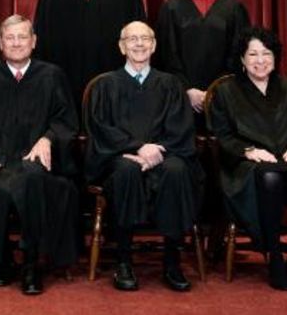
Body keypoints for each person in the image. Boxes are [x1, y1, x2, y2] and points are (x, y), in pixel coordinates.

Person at [0, 15, 79, 296]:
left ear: (34, 42)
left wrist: (48, 139)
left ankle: (32, 263)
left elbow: (66, 121)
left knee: (33, 180)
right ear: (0, 43)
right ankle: (2, 260)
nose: (16, 43)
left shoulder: (52, 76)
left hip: (36, 162)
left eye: (22, 37)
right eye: (9, 38)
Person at [208, 27, 287, 291]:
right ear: (242, 59)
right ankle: (275, 258)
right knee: (270, 177)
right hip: (246, 167)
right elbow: (222, 136)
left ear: (275, 57)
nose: (260, 60)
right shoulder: (227, 92)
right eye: (252, 54)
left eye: (266, 53)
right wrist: (249, 151)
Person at [85, 21, 202, 292]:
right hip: (120, 156)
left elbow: (181, 127)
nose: (139, 44)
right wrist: (138, 147)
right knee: (126, 170)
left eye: (145, 39)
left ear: (154, 45)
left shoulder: (170, 84)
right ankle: (123, 261)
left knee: (177, 171)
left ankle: (172, 261)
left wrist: (156, 150)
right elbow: (100, 128)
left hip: (165, 154)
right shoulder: (106, 85)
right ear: (121, 46)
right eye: (132, 39)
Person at [154, 0, 250, 124]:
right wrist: (187, 90)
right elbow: (167, 56)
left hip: (223, 97)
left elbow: (238, 54)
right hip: (180, 100)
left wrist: (214, 91)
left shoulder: (232, 7)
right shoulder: (171, 8)